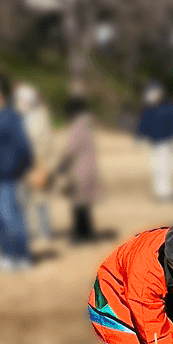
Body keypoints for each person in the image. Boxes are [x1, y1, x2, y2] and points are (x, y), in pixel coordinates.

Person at [0, 70, 33, 271]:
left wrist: (12, 170)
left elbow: (23, 148)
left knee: (10, 216)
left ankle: (21, 256)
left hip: (5, 178)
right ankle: (5, 255)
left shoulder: (9, 116)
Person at [14, 84, 54, 242]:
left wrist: (43, 166)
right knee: (21, 202)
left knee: (40, 201)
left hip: (38, 165)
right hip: (20, 166)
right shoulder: (15, 117)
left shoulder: (41, 116)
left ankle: (45, 232)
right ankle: (25, 233)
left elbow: (46, 143)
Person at [59, 96, 102, 242]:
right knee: (84, 203)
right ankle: (87, 233)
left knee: (78, 204)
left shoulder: (78, 126)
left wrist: (61, 166)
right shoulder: (87, 124)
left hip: (80, 169)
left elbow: (71, 149)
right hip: (88, 167)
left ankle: (81, 234)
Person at [136, 83, 173, 201]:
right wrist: (139, 137)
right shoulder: (148, 110)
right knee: (155, 168)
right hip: (153, 144)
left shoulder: (169, 108)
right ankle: (159, 192)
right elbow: (143, 125)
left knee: (165, 168)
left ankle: (166, 192)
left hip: (166, 143)